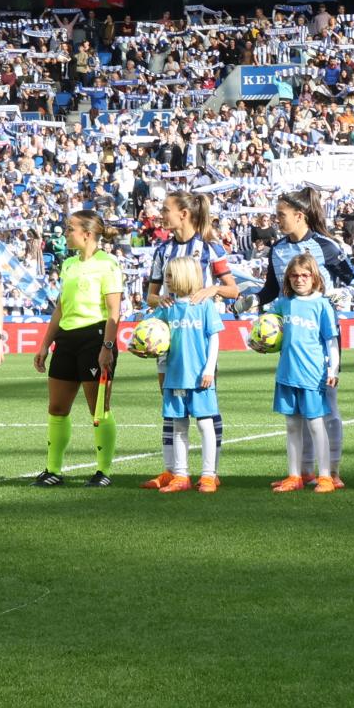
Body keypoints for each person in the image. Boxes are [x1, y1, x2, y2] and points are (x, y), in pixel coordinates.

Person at [258, 188, 354, 487]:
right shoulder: (276, 249)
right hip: (293, 336)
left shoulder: (326, 245)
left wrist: (346, 293)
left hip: (322, 336)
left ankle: (333, 471)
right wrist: (252, 303)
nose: (277, 220)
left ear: (299, 216)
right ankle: (301, 472)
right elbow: (270, 292)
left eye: (281, 215)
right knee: (297, 414)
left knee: (327, 408)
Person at [142, 191, 239, 490]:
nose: (162, 214)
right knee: (171, 402)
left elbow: (232, 289)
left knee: (205, 405)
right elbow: (150, 295)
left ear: (183, 213)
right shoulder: (162, 250)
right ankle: (173, 469)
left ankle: (211, 471)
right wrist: (163, 300)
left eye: (166, 209)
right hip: (170, 335)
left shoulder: (210, 248)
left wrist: (211, 291)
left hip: (199, 337)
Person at [31, 210, 122, 488]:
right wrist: (46, 344)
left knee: (98, 409)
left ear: (88, 234)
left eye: (70, 228)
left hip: (95, 338)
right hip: (66, 340)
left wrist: (107, 347)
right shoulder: (69, 264)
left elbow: (114, 310)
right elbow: (60, 307)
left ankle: (103, 470)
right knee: (57, 407)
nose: (66, 232)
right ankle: (53, 470)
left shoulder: (108, 264)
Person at [148, 257, 224, 494]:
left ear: (186, 276)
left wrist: (209, 369)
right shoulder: (167, 307)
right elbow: (151, 332)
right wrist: (145, 345)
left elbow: (214, 338)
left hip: (200, 378)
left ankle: (209, 475)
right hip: (175, 376)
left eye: (170, 276)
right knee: (178, 426)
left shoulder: (203, 305)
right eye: (166, 276)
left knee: (205, 424)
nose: (166, 281)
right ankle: (181, 475)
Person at [270, 254, 340, 493]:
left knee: (316, 425)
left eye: (304, 275)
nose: (299, 280)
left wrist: (333, 369)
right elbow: (267, 326)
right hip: (287, 373)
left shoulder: (321, 304)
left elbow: (331, 341)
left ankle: (325, 476)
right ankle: (294, 475)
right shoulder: (284, 303)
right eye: (294, 275)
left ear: (314, 278)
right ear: (288, 278)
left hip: (312, 375)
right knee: (291, 425)